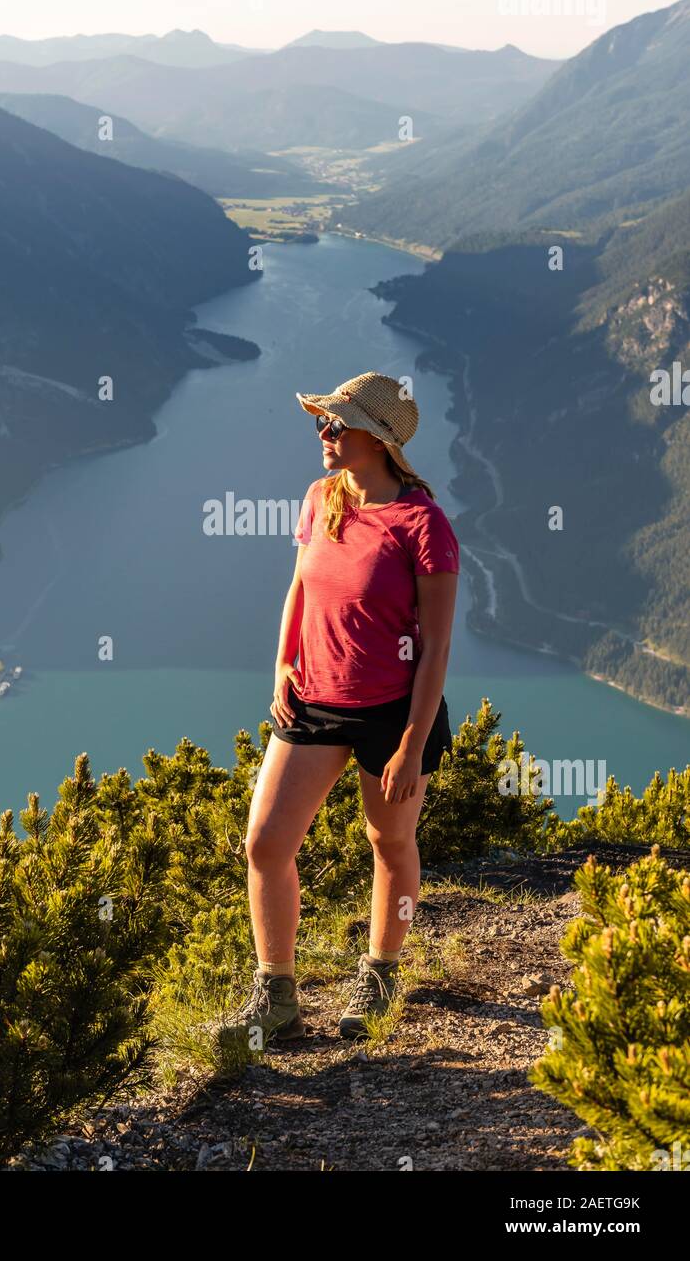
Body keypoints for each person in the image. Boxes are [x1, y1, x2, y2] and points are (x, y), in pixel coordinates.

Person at [224, 371, 459, 1046]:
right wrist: (282, 661)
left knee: (388, 841)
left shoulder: (422, 523)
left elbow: (437, 644)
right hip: (313, 699)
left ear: (378, 439)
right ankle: (275, 994)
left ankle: (380, 971)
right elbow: (301, 587)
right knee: (265, 845)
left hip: (392, 710)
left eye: (336, 424)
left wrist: (412, 744)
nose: (323, 433)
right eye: (321, 422)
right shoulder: (321, 497)